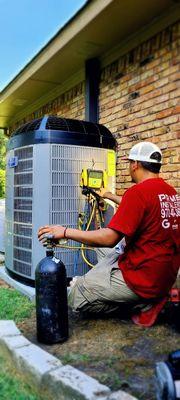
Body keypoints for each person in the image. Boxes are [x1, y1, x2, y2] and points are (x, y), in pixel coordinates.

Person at [38, 141, 180, 323]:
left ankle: (144, 303)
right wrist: (108, 195)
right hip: (164, 273)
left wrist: (65, 231)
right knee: (99, 250)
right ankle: (108, 284)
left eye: (130, 163)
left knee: (75, 294)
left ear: (135, 164)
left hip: (144, 279)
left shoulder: (137, 192)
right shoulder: (170, 192)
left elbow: (109, 238)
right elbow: (142, 207)